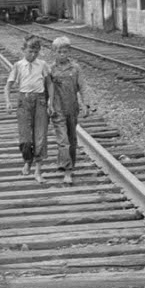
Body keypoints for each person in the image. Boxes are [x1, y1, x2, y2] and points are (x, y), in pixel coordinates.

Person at [4, 36, 50, 183]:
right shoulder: (18, 66)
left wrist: (50, 102)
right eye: (30, 51)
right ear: (23, 50)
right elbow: (8, 86)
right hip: (24, 101)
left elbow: (50, 84)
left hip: (40, 100)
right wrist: (8, 102)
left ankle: (38, 170)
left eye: (36, 52)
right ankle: (27, 160)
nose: (33, 55)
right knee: (25, 137)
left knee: (40, 135)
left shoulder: (42, 65)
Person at [46, 36, 90, 185]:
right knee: (63, 141)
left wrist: (86, 104)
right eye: (59, 51)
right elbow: (46, 89)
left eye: (65, 51)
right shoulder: (50, 69)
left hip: (72, 108)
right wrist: (47, 106)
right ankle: (68, 171)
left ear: (69, 52)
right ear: (54, 52)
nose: (62, 54)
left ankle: (65, 162)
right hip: (58, 110)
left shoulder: (75, 68)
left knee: (71, 139)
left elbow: (82, 87)